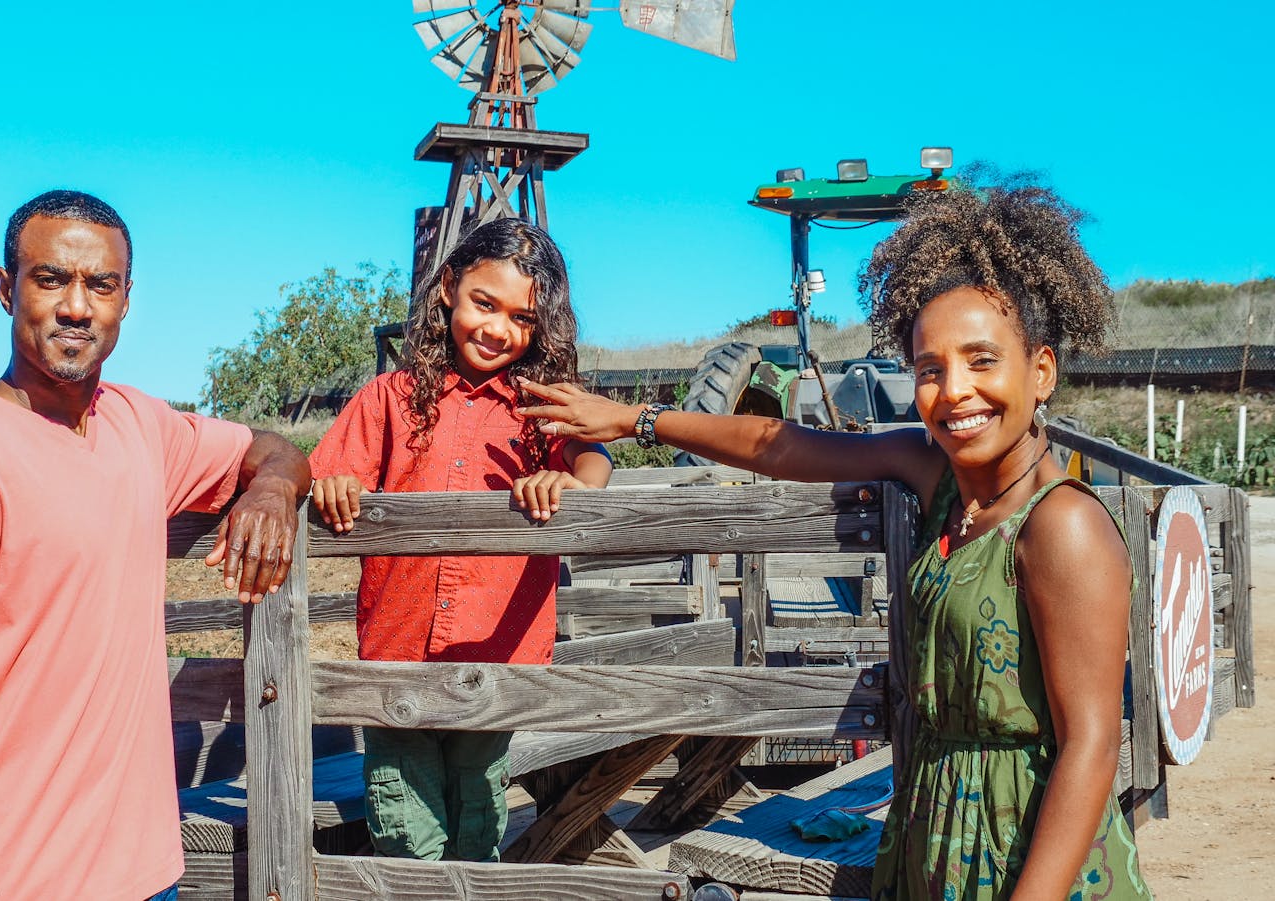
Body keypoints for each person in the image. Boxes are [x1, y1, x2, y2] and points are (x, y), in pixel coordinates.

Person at [516, 182, 1153, 899]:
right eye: (930, 369)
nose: (955, 391)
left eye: (982, 360)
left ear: (1040, 372)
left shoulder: (1062, 524)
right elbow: (777, 442)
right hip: (934, 831)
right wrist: (636, 420)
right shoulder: (934, 473)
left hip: (1031, 854)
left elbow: (1091, 745)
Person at [0, 190, 311, 901]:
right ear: (7, 288)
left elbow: (275, 449)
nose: (77, 306)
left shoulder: (137, 425)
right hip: (5, 880)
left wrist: (270, 492)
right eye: (50, 279)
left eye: (100, 284)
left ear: (126, 298)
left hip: (141, 874)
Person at [308, 218, 612, 862]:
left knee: (478, 823)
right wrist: (333, 486)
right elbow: (330, 475)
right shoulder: (390, 398)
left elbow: (593, 463)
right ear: (447, 288)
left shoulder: (542, 408)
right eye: (484, 303)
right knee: (404, 830)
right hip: (398, 659)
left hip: (494, 658)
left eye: (523, 318)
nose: (499, 329)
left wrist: (568, 481)